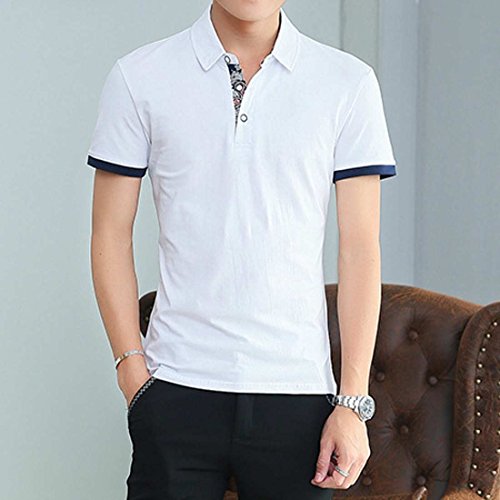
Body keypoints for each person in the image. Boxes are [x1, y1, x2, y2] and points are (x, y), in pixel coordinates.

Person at [86, 1, 397, 498]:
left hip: (297, 394)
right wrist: (131, 370)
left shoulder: (348, 83)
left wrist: (352, 402)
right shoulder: (138, 77)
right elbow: (109, 233)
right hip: (175, 387)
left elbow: (360, 248)